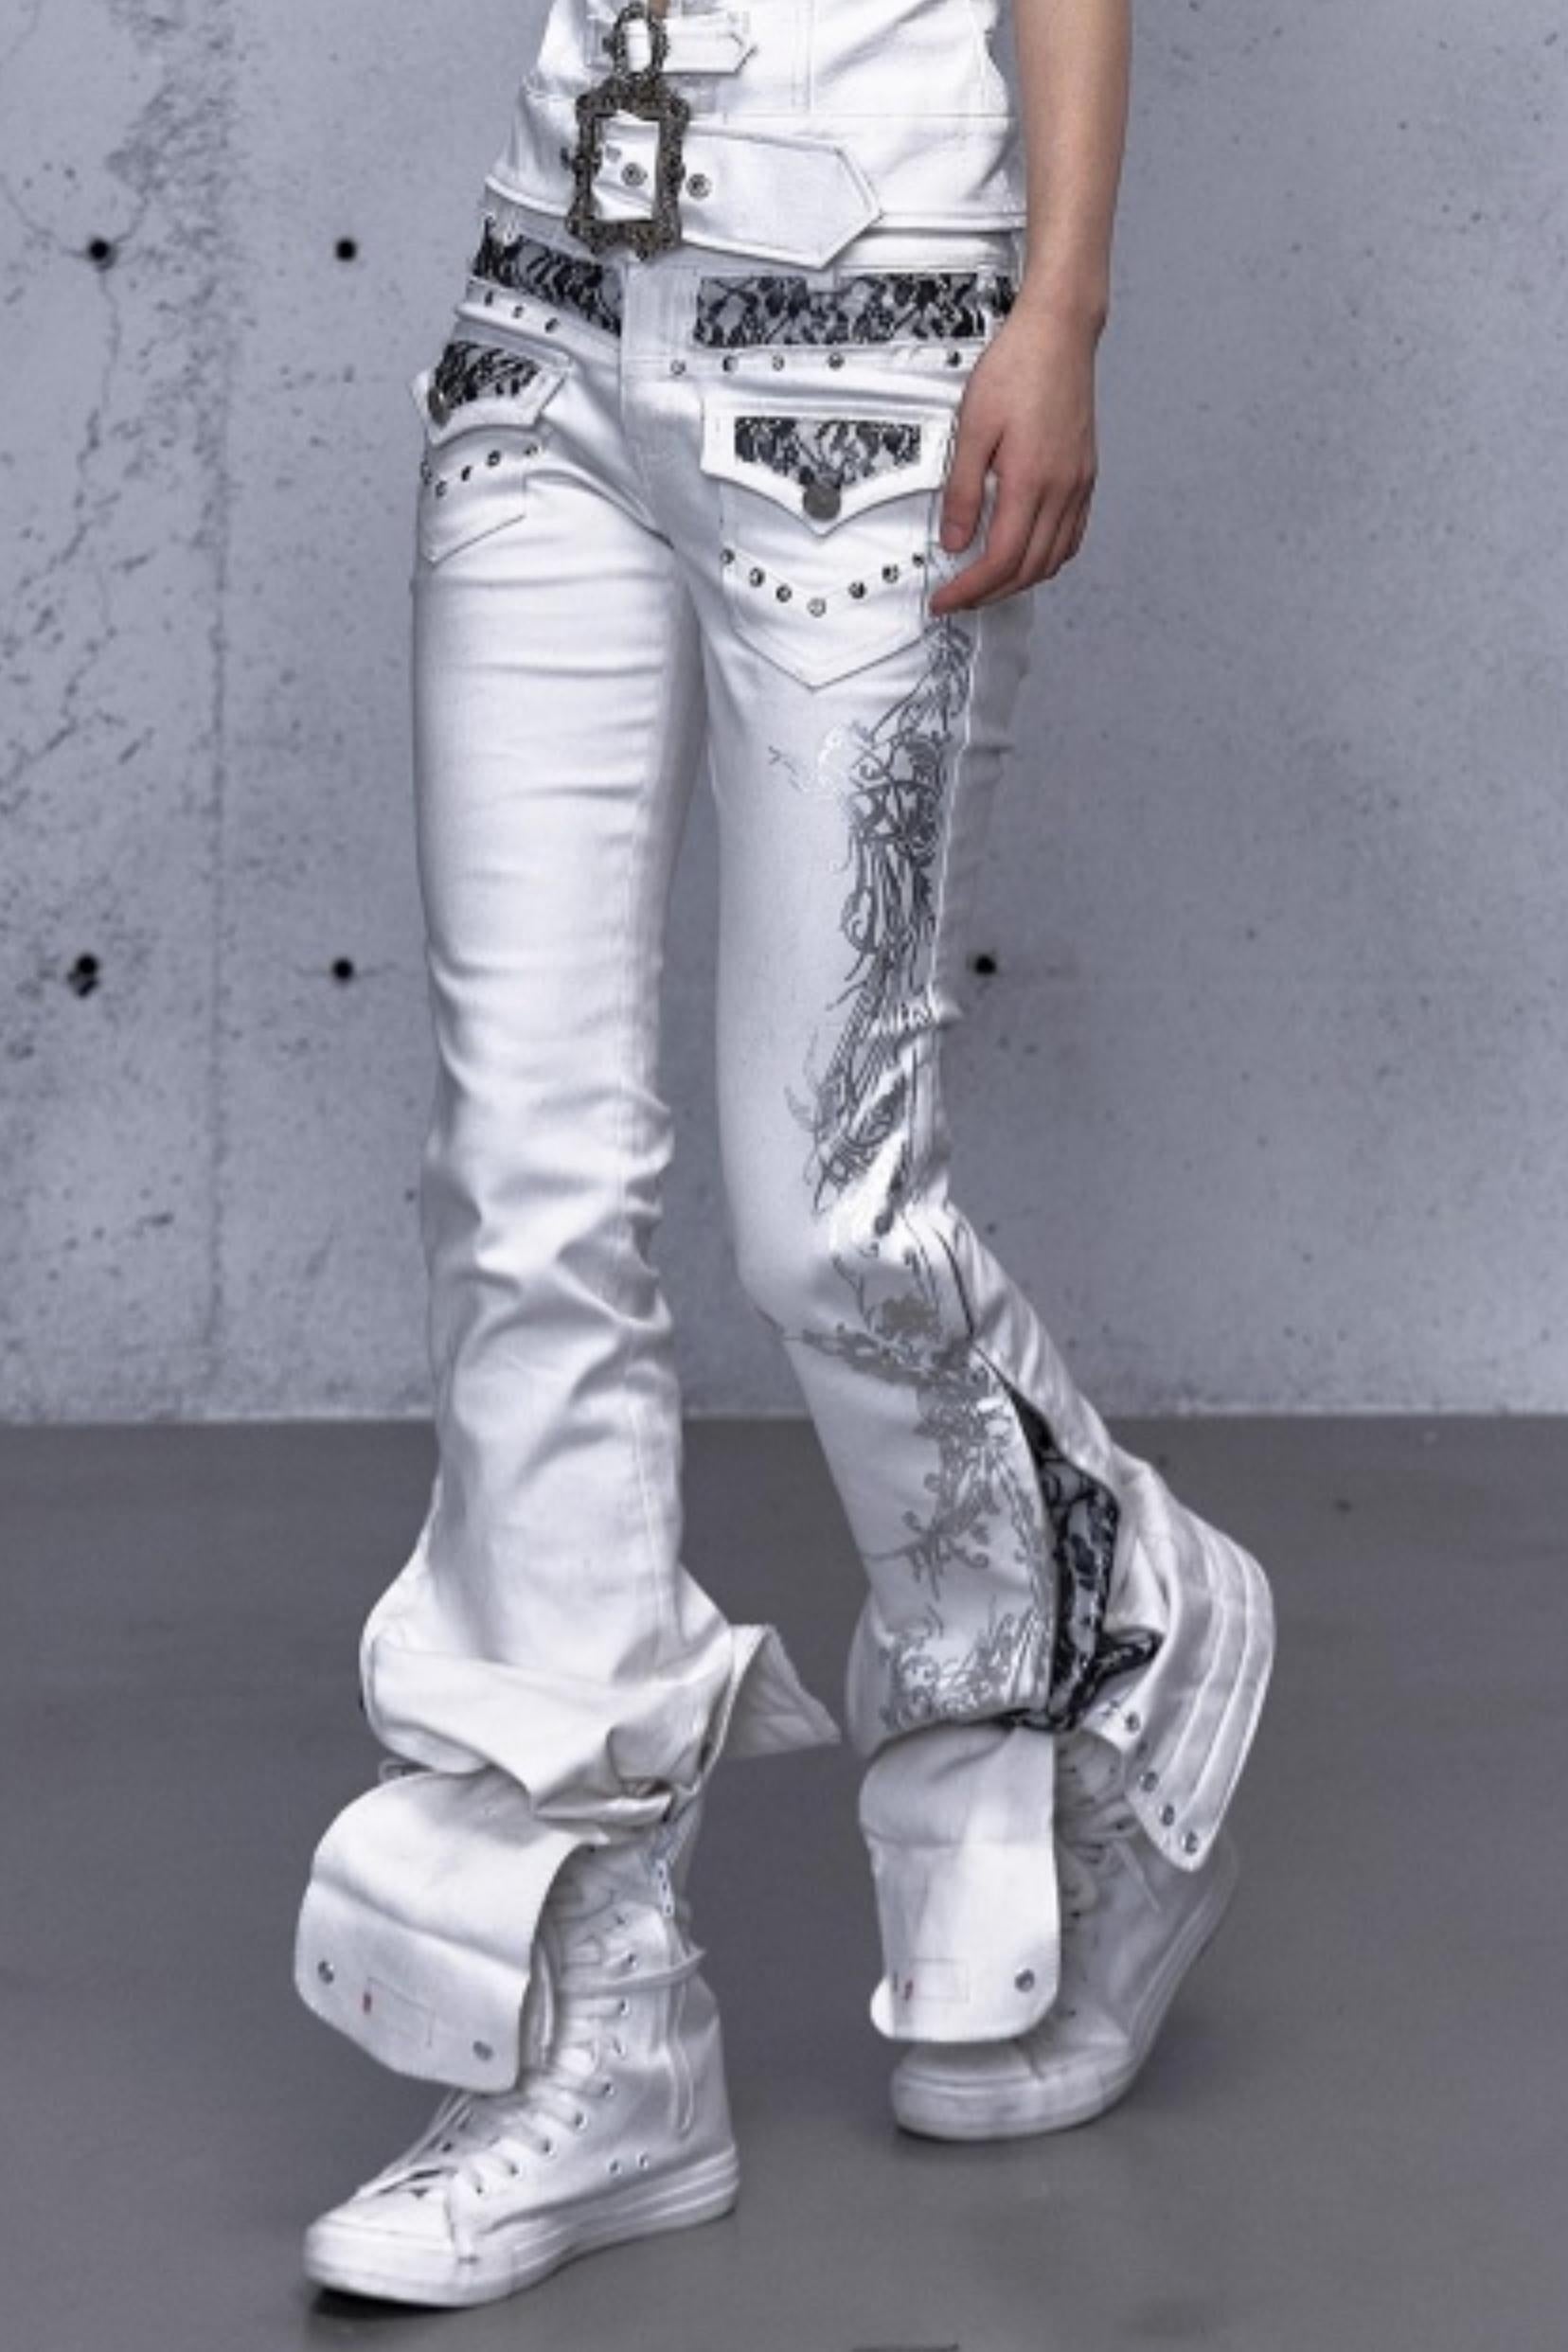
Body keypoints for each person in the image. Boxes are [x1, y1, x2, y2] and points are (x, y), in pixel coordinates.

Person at [294, 0, 1276, 2307]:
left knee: (830, 1210)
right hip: (548, 315)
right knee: (520, 1184)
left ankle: (1108, 1648)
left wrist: (1063, 309)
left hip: (886, 339)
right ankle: (596, 2019)